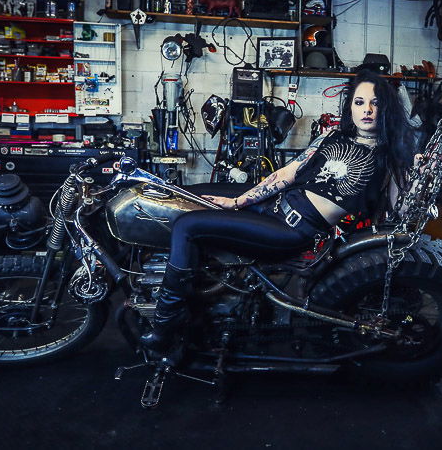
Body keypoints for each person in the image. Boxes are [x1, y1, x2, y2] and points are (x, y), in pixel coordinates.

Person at [140, 69, 419, 354]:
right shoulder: (333, 136)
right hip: (273, 205)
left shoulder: (391, 156)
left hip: (292, 230)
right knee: (190, 194)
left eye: (375, 103)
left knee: (187, 225)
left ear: (386, 109)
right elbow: (288, 173)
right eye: (360, 102)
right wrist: (239, 202)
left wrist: (417, 177)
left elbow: (401, 210)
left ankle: (166, 323)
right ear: (350, 106)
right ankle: (194, 294)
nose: (367, 110)